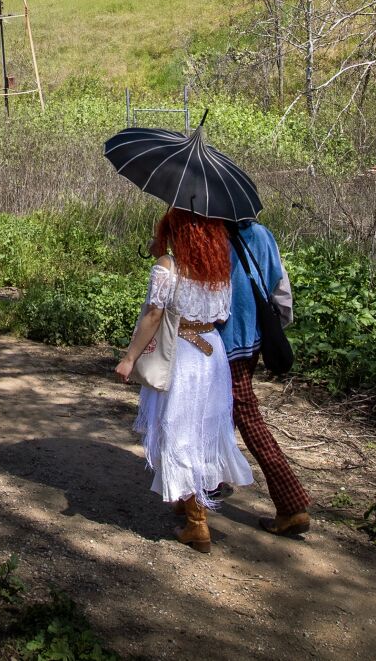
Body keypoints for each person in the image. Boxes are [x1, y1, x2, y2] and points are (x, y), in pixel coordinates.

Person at [114, 207, 254, 552]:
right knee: (205, 429)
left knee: (179, 429)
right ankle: (185, 498)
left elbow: (153, 315)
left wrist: (130, 357)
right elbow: (222, 315)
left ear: (174, 231)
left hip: (183, 355)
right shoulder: (218, 270)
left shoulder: (168, 267)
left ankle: (196, 522)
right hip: (212, 354)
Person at [220, 219, 312, 535]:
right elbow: (279, 286)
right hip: (253, 338)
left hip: (222, 340)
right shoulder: (260, 234)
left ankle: (291, 503)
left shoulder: (212, 237)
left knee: (245, 413)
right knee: (222, 409)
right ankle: (212, 478)